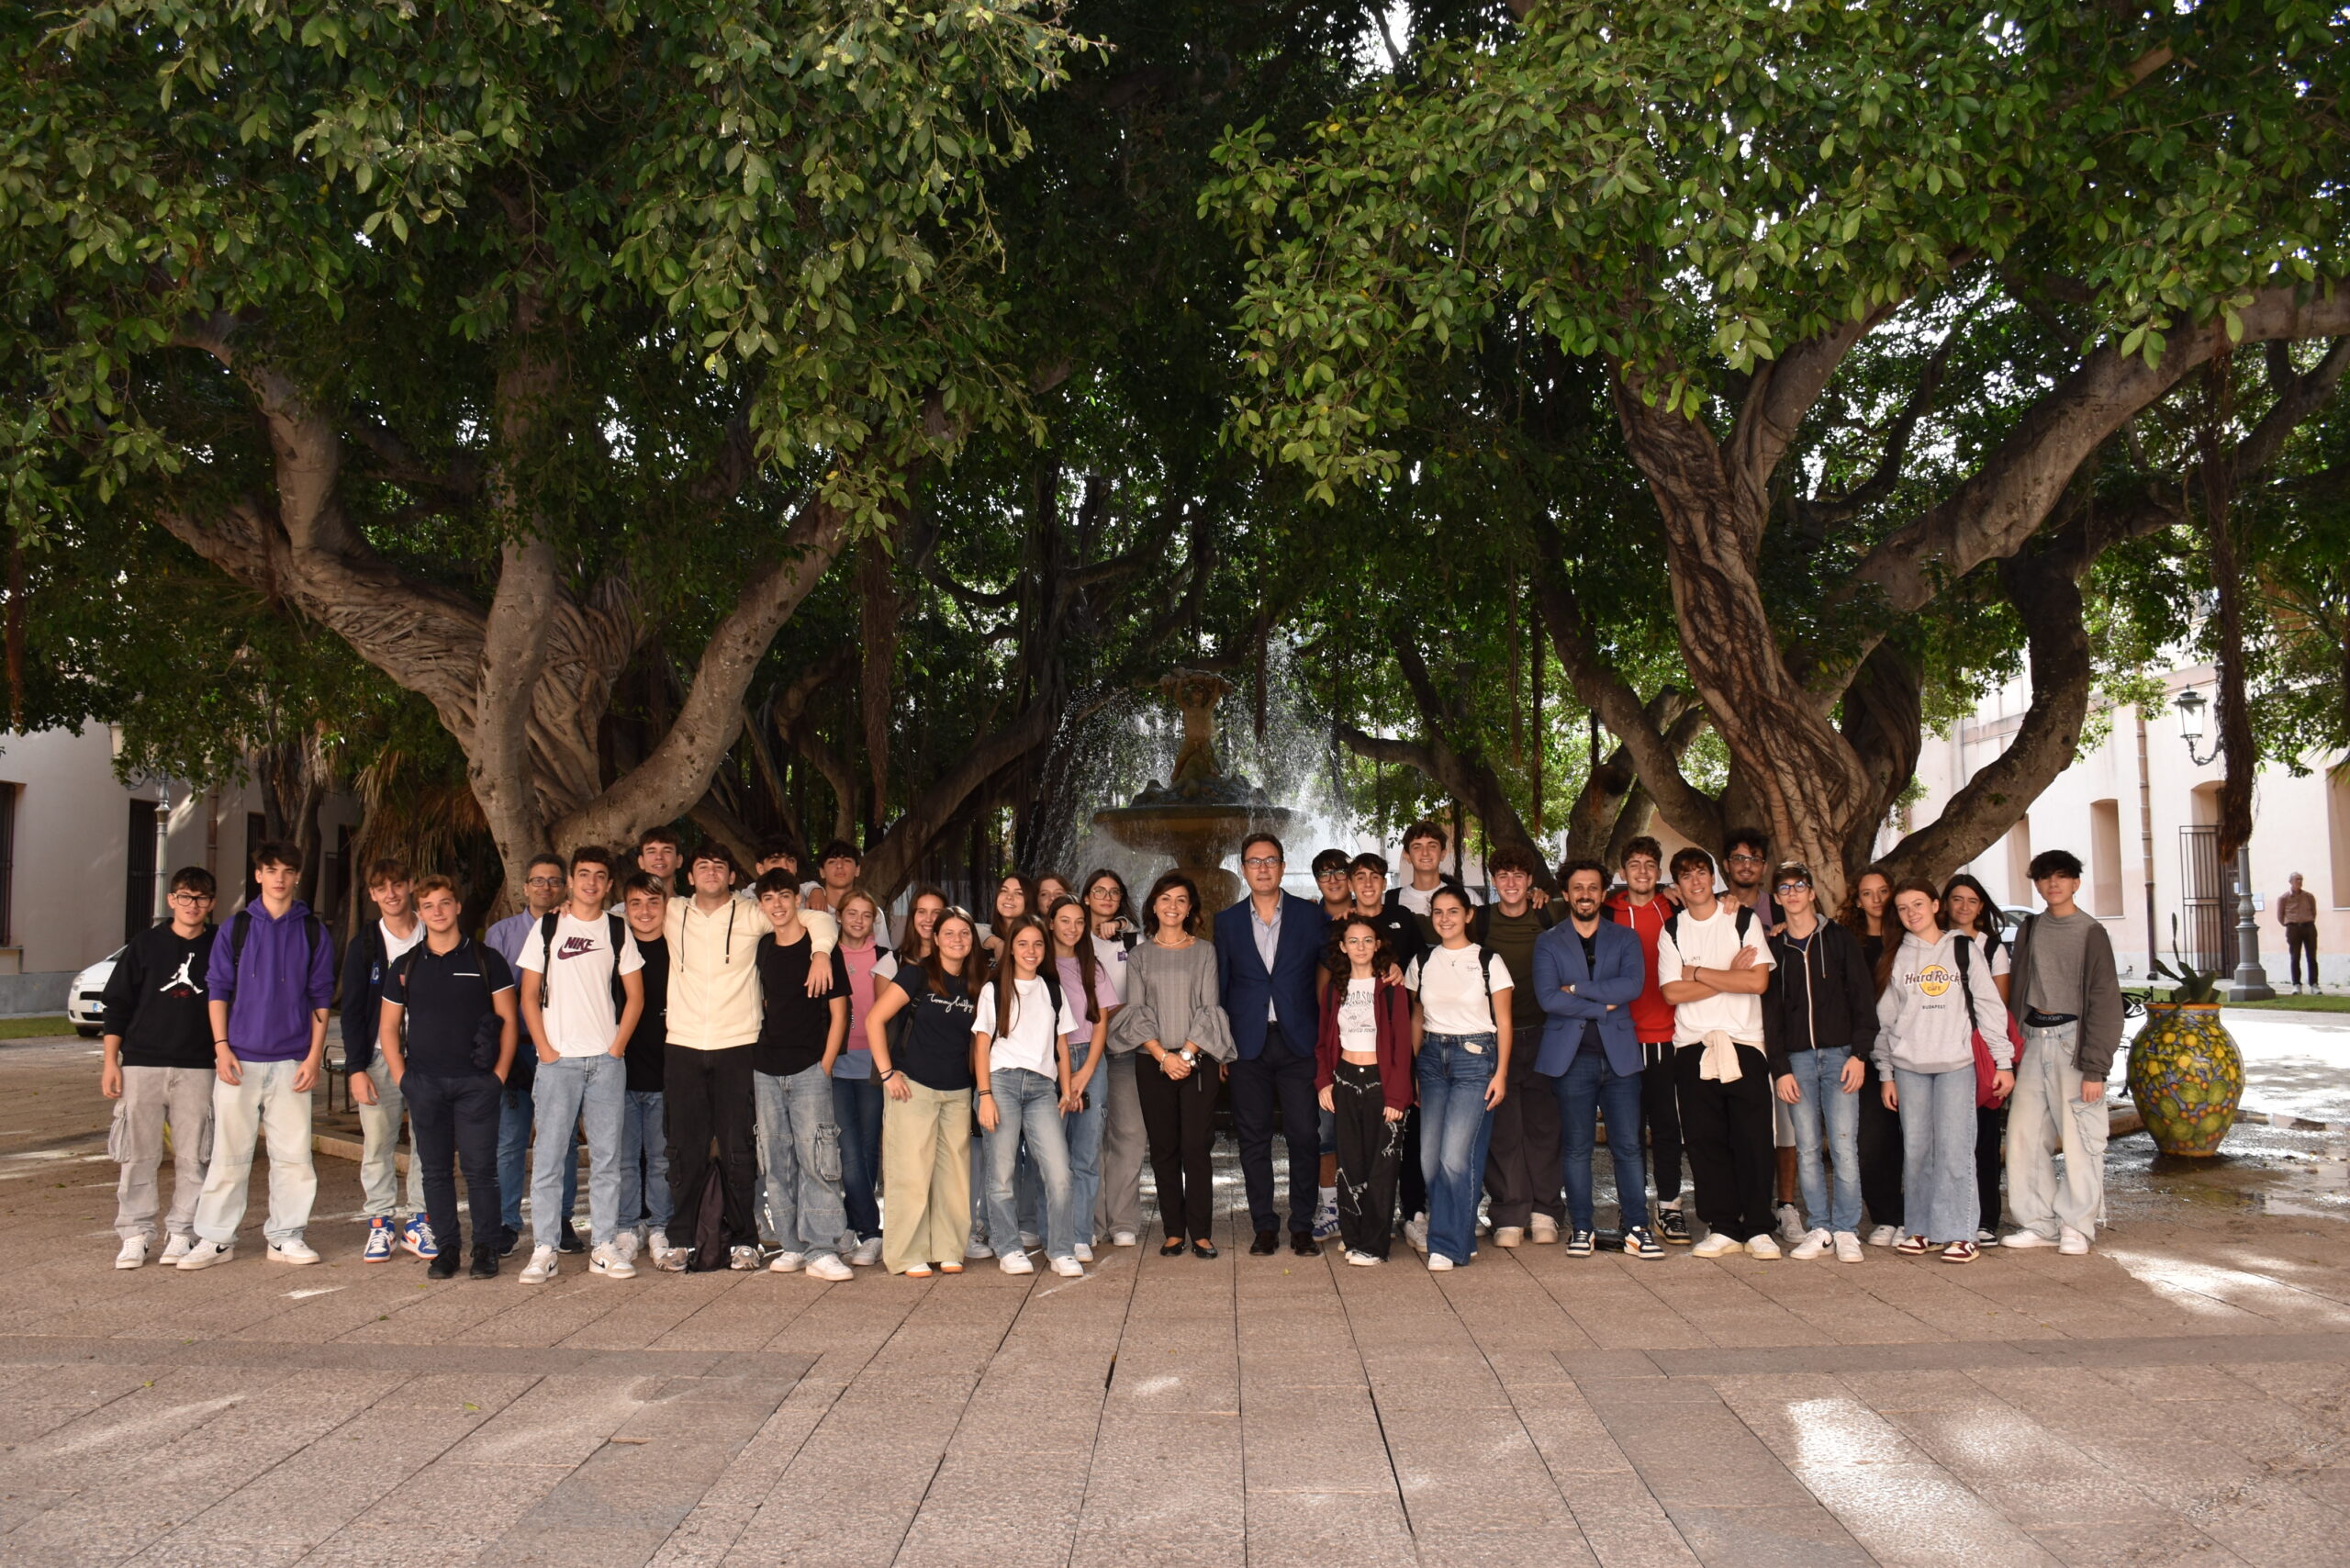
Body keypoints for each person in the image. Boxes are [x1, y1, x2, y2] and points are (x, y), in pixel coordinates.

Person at [181, 840, 335, 1270]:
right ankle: (215, 1239)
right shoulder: (237, 927)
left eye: (288, 871)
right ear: (258, 875)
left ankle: (285, 1236)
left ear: (298, 876)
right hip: (239, 1060)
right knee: (229, 1155)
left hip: (291, 1062)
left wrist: (312, 1057)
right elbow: (217, 990)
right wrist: (221, 1047)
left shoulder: (312, 931)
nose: (280, 878)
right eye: (271, 870)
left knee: (294, 1157)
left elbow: (321, 996)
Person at [515, 846, 645, 1284]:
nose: (591, 882)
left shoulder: (617, 930)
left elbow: (636, 997)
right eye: (583, 874)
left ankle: (604, 1245)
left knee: (608, 1158)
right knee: (550, 1157)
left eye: (600, 876)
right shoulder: (549, 926)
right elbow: (528, 995)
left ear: (609, 885)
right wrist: (546, 1050)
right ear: (571, 881)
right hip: (558, 1062)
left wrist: (616, 1048)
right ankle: (545, 1247)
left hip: (605, 1061)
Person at [376, 874, 517, 1280]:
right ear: (419, 914)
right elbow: (388, 1028)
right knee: (434, 1171)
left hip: (477, 1085)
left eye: (444, 903)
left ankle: (486, 1247)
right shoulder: (407, 965)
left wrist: (499, 1076)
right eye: (429, 906)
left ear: (457, 907)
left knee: (480, 1169)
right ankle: (447, 1249)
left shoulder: (486, 959)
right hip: (425, 1084)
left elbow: (508, 1021)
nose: (437, 911)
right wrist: (404, 1078)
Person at [1876, 879, 2015, 1264]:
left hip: (1957, 1065)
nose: (1912, 913)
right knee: (1917, 1152)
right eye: (1903, 908)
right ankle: (1921, 1228)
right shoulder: (1897, 956)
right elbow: (1886, 1021)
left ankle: (1960, 1232)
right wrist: (1886, 1072)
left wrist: (2003, 1062)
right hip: (1909, 1068)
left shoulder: (1962, 948)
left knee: (1956, 1151)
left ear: (1936, 905)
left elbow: (1989, 1008)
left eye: (1918, 905)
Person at [1656, 847, 1782, 1260]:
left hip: (1744, 1042)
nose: (1696, 882)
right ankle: (1722, 1226)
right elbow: (1672, 992)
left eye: (1701, 873)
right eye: (1686, 876)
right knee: (1705, 1141)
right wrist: (1731, 973)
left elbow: (1759, 982)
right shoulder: (1672, 930)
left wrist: (1700, 973)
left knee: (1754, 1140)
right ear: (1677, 884)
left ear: (1713, 877)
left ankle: (1760, 1227)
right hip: (1693, 1045)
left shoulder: (1741, 918)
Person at [1532, 860, 1659, 1259]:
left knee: (1629, 1147)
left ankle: (1638, 1228)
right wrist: (1603, 1005)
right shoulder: (1549, 941)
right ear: (1566, 895)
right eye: (1577, 888)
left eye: (1592, 887)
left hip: (1620, 1059)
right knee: (1576, 1148)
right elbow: (1549, 998)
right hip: (1572, 1061)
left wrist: (1579, 989)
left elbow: (1632, 985)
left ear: (1603, 894)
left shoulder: (1625, 939)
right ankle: (1582, 1228)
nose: (1585, 894)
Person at [2003, 850, 2123, 1255]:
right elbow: (2019, 987)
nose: (2052, 884)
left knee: (2079, 1137)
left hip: (2075, 1042)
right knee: (2024, 1135)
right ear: (2036, 885)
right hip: (2034, 1039)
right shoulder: (2031, 928)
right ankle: (2038, 1222)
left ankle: (2076, 1224)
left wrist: (2095, 1068)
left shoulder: (2091, 932)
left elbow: (2106, 999)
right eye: (2044, 878)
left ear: (2075, 883)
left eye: (2061, 877)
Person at [100, 867, 218, 1269]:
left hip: (199, 1065)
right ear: (171, 900)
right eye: (185, 896)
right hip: (142, 1062)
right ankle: (135, 1233)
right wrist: (110, 1063)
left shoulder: (221, 947)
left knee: (193, 1155)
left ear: (212, 904)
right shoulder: (145, 945)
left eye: (201, 898)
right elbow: (118, 1005)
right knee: (138, 1154)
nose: (192, 905)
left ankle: (183, 1231)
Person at [1216, 834, 1326, 1257]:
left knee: (1304, 1135)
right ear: (1243, 868)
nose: (1262, 868)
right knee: (1252, 1138)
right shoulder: (1226, 921)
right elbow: (1222, 987)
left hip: (1299, 1042)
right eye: (1254, 861)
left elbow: (1329, 970)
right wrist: (1224, 1048)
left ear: (1282, 866)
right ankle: (1264, 1225)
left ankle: (1302, 1224)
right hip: (1248, 1046)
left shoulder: (1308, 916)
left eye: (1271, 860)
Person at [659, 842, 767, 1271]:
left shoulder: (750, 914)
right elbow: (620, 912)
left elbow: (810, 920)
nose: (710, 871)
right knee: (684, 1147)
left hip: (738, 1043)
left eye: (719, 866)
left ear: (732, 876)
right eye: (702, 865)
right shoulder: (672, 911)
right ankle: (682, 1238)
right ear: (689, 876)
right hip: (683, 1044)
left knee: (740, 1145)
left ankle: (745, 1239)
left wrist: (818, 952)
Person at [1113, 873, 1231, 1257]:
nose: (1172, 906)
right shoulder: (1140, 955)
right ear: (1153, 906)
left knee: (1196, 1146)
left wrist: (1184, 1055)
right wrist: (1163, 1055)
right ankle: (1173, 1230)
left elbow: (1209, 1006)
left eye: (1181, 900)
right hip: (1153, 1062)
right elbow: (1136, 1009)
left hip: (1197, 1060)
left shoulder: (1205, 951)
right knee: (1164, 1148)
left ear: (1190, 908)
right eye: (1165, 899)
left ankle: (1200, 1231)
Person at [1763, 863, 1875, 1264]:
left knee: (1844, 1147)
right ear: (1776, 899)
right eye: (1784, 888)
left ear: (1811, 893)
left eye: (1799, 886)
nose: (1792, 893)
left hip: (1842, 1055)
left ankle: (1846, 1228)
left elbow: (1863, 1000)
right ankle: (1821, 1228)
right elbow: (1770, 1014)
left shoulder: (1840, 939)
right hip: (1797, 1061)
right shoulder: (1774, 948)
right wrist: (1780, 1068)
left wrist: (1860, 1055)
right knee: (1807, 1148)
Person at [867, 907, 983, 1275]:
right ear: (935, 938)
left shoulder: (978, 983)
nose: (957, 940)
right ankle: (906, 1253)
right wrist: (888, 1074)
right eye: (948, 933)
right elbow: (872, 1019)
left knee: (954, 1176)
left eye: (964, 934)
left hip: (957, 1090)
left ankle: (949, 1247)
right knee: (911, 1173)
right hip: (913, 1087)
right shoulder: (915, 975)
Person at [750, 870, 854, 1280]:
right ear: (761, 905)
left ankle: (823, 1247)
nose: (777, 905)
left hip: (810, 1067)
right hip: (765, 1068)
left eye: (784, 897)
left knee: (818, 1160)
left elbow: (840, 1012)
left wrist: (824, 1066)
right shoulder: (761, 949)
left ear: (798, 900)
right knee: (776, 1161)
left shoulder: (821, 949)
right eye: (769, 898)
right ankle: (791, 1245)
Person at [973, 913, 1085, 1276]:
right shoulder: (994, 989)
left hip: (1041, 1088)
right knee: (1002, 1170)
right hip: (1001, 1083)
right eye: (1022, 943)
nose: (1031, 950)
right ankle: (1008, 1247)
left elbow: (1062, 1044)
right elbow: (981, 1044)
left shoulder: (1052, 990)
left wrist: (1066, 1091)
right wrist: (985, 1095)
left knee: (1059, 1172)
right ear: (1011, 949)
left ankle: (1062, 1249)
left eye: (1038, 944)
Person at [1406, 886, 1512, 1270]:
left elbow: (1504, 1022)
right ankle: (1462, 1238)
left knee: (1455, 1156)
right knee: (1430, 1160)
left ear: (1468, 915)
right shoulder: (1423, 959)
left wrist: (1500, 1073)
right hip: (1433, 1059)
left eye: (1453, 911)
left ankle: (1445, 1245)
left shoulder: (1488, 960)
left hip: (1475, 1058)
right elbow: (1417, 1017)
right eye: (1438, 912)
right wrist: (1416, 1068)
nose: (1445, 919)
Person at [341, 857, 434, 1263]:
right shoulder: (364, 944)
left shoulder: (435, 931)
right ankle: (380, 1223)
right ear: (373, 894)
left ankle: (419, 1220)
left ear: (410, 885)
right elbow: (354, 1011)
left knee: (428, 1142)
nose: (392, 893)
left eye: (398, 884)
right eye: (382, 888)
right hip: (380, 1057)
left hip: (431, 1056)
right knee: (378, 1143)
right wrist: (356, 1067)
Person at [485, 853, 576, 1255]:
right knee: (511, 1139)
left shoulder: (578, 929)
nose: (546, 888)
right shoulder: (501, 934)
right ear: (524, 888)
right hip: (516, 1047)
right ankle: (507, 1221)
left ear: (565, 886)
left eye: (554, 881)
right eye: (538, 881)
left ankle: (562, 1219)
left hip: (562, 1047)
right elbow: (490, 999)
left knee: (565, 1140)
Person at [1473, 845, 1561, 1247]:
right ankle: (1509, 1211)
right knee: (1503, 1131)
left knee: (1543, 1128)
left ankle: (1545, 1211)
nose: (1510, 883)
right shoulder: (1481, 920)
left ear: (1530, 883)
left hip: (1545, 1034)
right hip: (1497, 1039)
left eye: (1518, 876)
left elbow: (1594, 908)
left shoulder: (1549, 914)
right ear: (1494, 882)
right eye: (1503, 875)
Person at [1315, 914, 1412, 1264]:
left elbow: (1403, 1044)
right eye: (1353, 941)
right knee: (1349, 1164)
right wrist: (1324, 1081)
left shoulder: (1390, 988)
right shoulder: (1335, 990)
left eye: (1367, 940)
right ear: (1343, 947)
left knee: (1382, 1166)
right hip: (1344, 1080)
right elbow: (1323, 1043)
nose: (1360, 947)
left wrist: (1398, 1095)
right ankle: (1353, 1236)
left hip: (1380, 1083)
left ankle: (1373, 1246)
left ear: (1377, 945)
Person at [1607, 837, 1687, 1244]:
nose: (1642, 871)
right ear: (1622, 871)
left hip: (1667, 1035)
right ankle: (1632, 1208)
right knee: (1627, 1131)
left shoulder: (1676, 908)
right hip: (1619, 1036)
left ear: (1659, 872)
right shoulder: (1607, 911)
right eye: (1634, 864)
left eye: (1650, 865)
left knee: (1667, 1127)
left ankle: (1670, 1206)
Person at [1942, 873, 2013, 1244]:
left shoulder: (1991, 947)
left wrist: (2001, 1061)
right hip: (1941, 1048)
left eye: (1972, 900)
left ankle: (1986, 1217)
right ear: (1946, 903)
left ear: (1980, 906)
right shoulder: (1934, 942)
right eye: (1957, 899)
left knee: (1983, 1136)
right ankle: (1949, 1214)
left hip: (1980, 1051)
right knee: (1946, 1138)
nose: (1964, 906)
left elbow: (1998, 1007)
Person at [831, 887, 898, 1266]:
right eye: (851, 913)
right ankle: (870, 1229)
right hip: (837, 1065)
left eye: (866, 915)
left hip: (874, 1065)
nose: (858, 920)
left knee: (869, 1149)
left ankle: (858, 1227)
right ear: (838, 916)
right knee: (848, 1151)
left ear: (875, 920)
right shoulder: (826, 954)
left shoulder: (884, 957)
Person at [1841, 866, 1904, 1247]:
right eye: (1868, 893)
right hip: (1864, 1049)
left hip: (1913, 1048)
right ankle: (1884, 1215)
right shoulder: (1849, 940)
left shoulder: (1911, 935)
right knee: (1872, 1139)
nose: (1876, 900)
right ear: (1857, 899)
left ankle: (1916, 1215)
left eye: (1883, 891)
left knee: (1915, 1139)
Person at [1081, 868, 1145, 1248]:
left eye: (1114, 893)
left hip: (1123, 1047)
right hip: (1079, 1048)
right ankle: (1089, 1219)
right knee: (1087, 1136)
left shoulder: (1134, 937)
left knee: (1129, 1132)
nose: (1106, 897)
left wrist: (1124, 924)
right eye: (1098, 891)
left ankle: (1122, 1219)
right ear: (1086, 897)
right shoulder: (1068, 936)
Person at [1048, 897, 1112, 1261]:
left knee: (1085, 1153)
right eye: (1064, 921)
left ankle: (1080, 1233)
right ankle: (1053, 1232)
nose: (1071, 928)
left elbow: (1101, 1023)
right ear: (1051, 923)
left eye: (1078, 922)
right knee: (1052, 1155)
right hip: (1050, 1062)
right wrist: (1066, 1074)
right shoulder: (1039, 964)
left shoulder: (1093, 967)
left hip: (1089, 1057)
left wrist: (1086, 1070)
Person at [617, 872, 675, 1268]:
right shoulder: (612, 945)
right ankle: (624, 1227)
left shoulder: (679, 948)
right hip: (619, 1071)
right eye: (636, 903)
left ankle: (659, 1226)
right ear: (624, 908)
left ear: (666, 906)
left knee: (661, 1157)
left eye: (653, 903)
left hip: (667, 1071)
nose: (645, 911)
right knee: (621, 1158)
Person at [1393, 818, 1473, 945]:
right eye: (1417, 847)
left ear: (1443, 853)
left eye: (1432, 846)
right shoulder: (1390, 901)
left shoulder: (1468, 897)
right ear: (1407, 855)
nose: (1425, 853)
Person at [979, 872, 1036, 960]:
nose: (1009, 897)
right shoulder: (985, 933)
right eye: (1004, 891)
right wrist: (997, 943)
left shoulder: (1037, 940)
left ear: (1029, 900)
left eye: (1018, 893)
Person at [2279, 872, 2320, 992]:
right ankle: (2296, 984)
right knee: (2295, 956)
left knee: (2312, 957)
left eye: (2301, 879)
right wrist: (2289, 924)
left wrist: (2308, 921)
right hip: (2293, 928)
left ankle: (2314, 984)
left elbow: (2314, 911)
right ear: (2290, 881)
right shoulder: (2284, 898)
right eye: (2297, 879)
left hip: (2308, 927)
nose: (2299, 882)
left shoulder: (2308, 896)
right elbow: (2280, 915)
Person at [899, 886, 949, 964]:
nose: (928, 919)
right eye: (922, 912)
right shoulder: (893, 960)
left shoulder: (957, 958)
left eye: (936, 912)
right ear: (913, 916)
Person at [634, 827, 684, 895]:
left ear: (679, 860)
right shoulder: (624, 906)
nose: (659, 857)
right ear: (641, 861)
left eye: (667, 851)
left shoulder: (690, 905)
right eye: (651, 851)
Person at [1313, 848, 1356, 923]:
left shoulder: (1370, 914)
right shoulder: (1307, 919)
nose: (1333, 880)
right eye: (1324, 874)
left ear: (1351, 878)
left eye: (1340, 872)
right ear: (1318, 883)